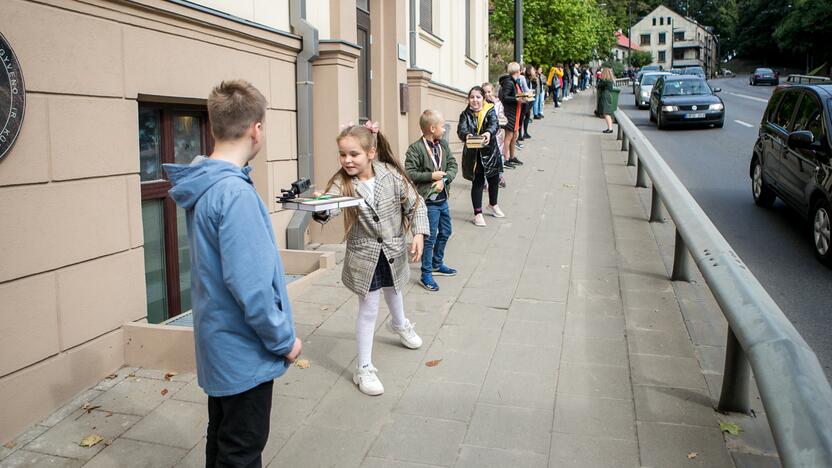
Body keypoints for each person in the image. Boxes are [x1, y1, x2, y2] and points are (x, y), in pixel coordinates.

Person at [163, 80, 302, 468]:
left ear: (213, 127)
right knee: (241, 452)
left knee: (222, 444)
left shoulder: (207, 184)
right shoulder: (235, 195)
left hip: (220, 348)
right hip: (244, 353)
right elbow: (253, 289)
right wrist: (284, 340)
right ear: (256, 128)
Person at [313, 121, 428, 396]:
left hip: (393, 248)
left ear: (371, 153)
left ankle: (399, 323)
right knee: (369, 307)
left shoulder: (391, 175)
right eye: (343, 154)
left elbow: (416, 203)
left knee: (395, 287)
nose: (347, 160)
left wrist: (419, 233)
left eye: (354, 154)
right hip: (364, 255)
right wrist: (322, 206)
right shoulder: (342, 182)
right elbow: (330, 210)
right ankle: (363, 368)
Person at [404, 110, 458, 292]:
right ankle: (425, 273)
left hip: (442, 199)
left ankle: (437, 263)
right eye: (442, 126)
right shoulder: (415, 149)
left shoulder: (443, 144)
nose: (444, 129)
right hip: (428, 202)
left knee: (446, 232)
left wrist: (444, 180)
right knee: (429, 237)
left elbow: (452, 164)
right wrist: (431, 176)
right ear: (432, 128)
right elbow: (409, 173)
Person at [458, 86, 503, 227]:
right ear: (468, 99)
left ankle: (493, 204)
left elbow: (494, 124)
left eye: (478, 97)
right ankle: (477, 213)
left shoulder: (489, 110)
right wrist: (467, 135)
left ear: (483, 99)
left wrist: (489, 132)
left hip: (490, 152)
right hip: (474, 154)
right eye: (472, 97)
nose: (475, 100)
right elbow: (461, 129)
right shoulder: (465, 114)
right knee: (477, 182)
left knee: (494, 178)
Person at [482, 82, 509, 188]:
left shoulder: (498, 103)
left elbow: (502, 116)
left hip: (497, 136)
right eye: (485, 92)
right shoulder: (481, 104)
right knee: (486, 158)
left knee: (499, 158)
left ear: (492, 91)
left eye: (489, 92)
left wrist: (502, 119)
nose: (487, 94)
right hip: (486, 136)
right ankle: (485, 181)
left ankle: (499, 177)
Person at [498, 62, 524, 167]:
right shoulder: (509, 82)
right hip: (510, 112)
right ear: (517, 71)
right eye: (519, 70)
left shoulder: (513, 82)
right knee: (509, 136)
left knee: (514, 135)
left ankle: (512, 157)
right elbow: (504, 97)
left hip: (515, 111)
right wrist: (517, 99)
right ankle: (506, 159)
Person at [597, 67, 617, 133]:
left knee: (606, 113)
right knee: (607, 112)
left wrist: (600, 79)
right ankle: (610, 128)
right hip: (608, 95)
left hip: (605, 95)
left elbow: (599, 85)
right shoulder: (610, 80)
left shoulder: (605, 81)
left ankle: (610, 128)